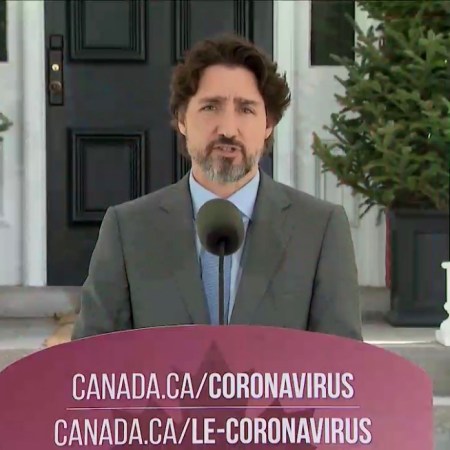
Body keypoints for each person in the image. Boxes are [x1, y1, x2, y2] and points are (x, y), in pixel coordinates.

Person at [72, 34, 362, 341]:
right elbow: (90, 358)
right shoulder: (128, 229)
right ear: (182, 119)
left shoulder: (319, 229)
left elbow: (343, 363)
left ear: (268, 124)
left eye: (246, 109)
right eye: (211, 107)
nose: (227, 129)